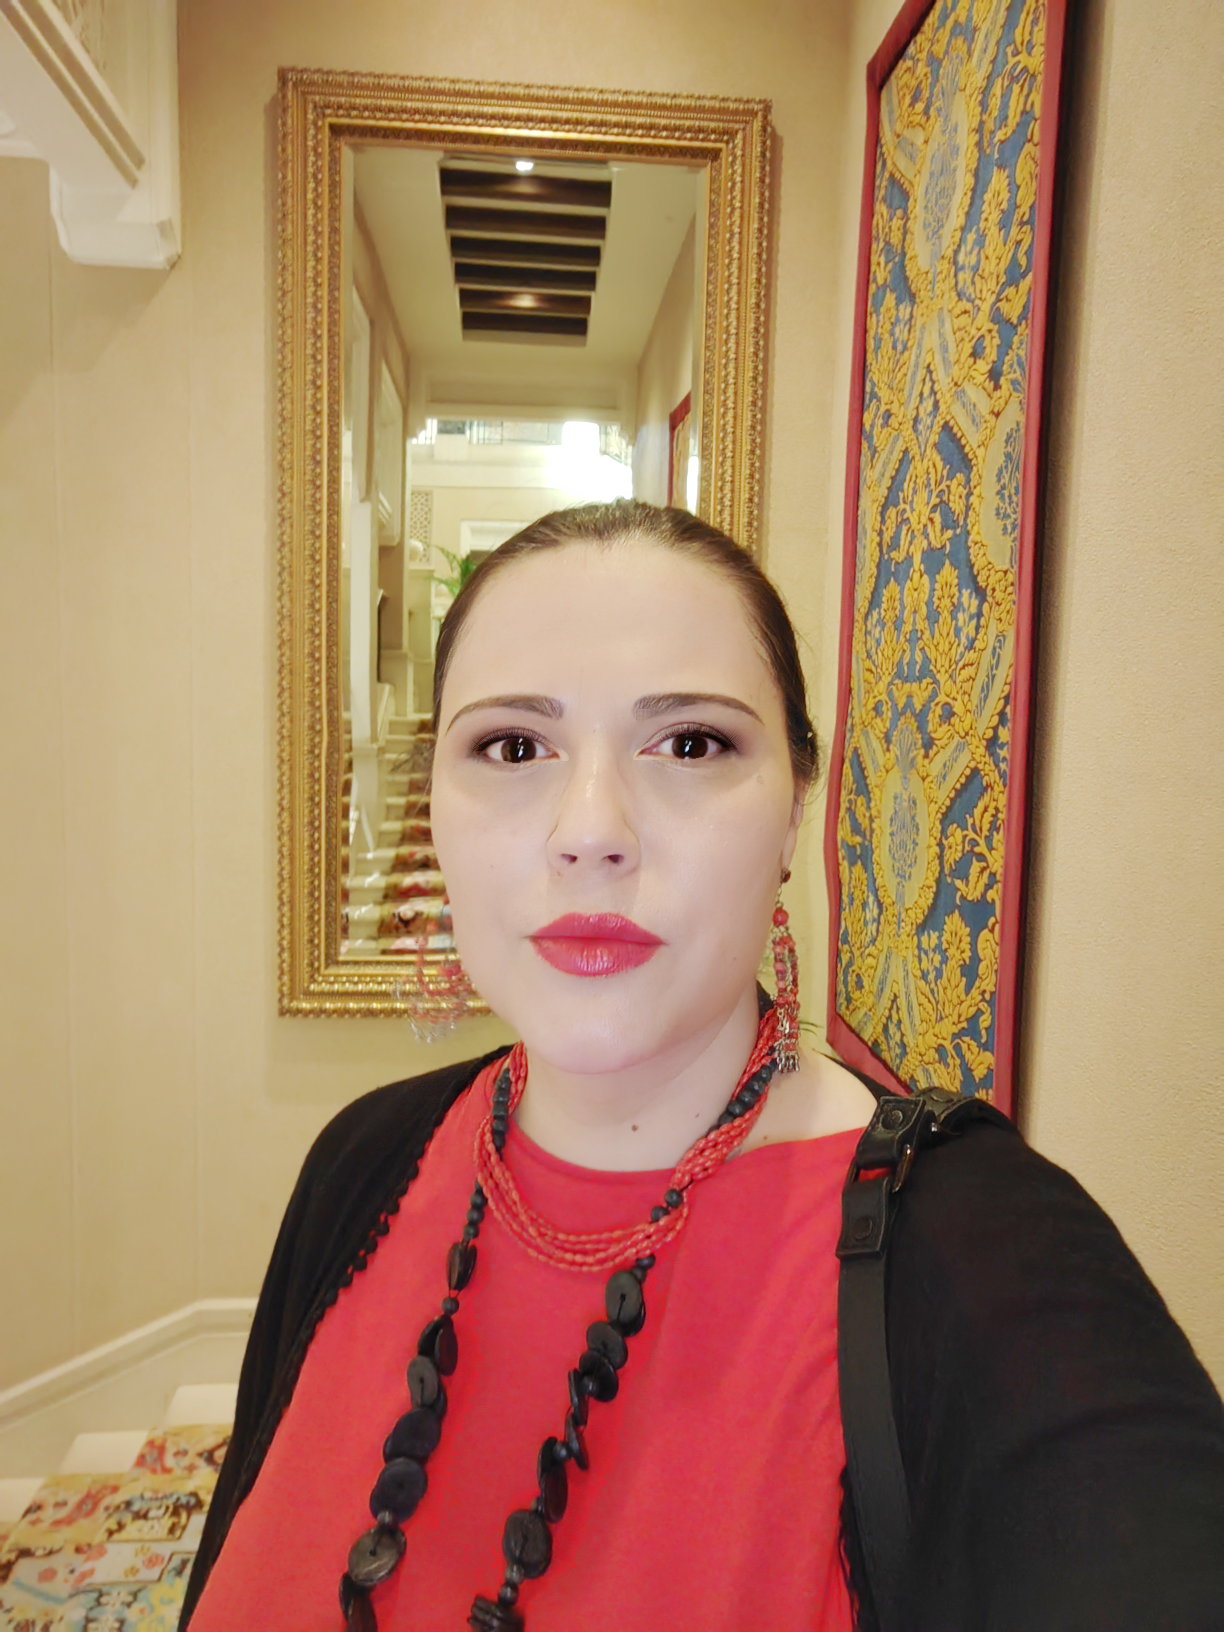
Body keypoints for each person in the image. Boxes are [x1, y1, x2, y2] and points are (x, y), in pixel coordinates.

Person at [182, 502, 1224, 1632]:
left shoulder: (983, 1251)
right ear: (433, 803)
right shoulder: (362, 1162)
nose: (591, 830)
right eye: (513, 747)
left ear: (797, 811)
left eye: (689, 744)